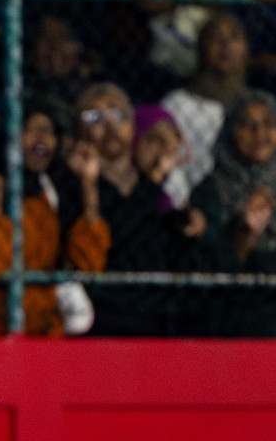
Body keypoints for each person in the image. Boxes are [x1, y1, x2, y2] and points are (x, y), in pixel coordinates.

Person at [0, 98, 110, 337]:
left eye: (48, 131)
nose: (41, 138)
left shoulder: (51, 191)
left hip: (44, 328)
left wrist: (88, 184)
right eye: (30, 129)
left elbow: (89, 264)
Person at [66, 82, 189, 337]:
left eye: (118, 113)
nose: (110, 125)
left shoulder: (154, 188)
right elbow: (112, 240)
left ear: (133, 124)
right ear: (79, 131)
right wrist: (153, 181)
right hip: (103, 321)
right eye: (95, 117)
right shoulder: (72, 185)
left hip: (156, 321)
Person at [188, 91, 276, 336]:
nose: (259, 133)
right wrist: (243, 232)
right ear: (229, 132)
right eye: (247, 124)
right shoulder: (210, 192)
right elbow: (208, 270)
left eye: (269, 124)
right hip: (235, 324)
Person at [162, 12, 250, 206]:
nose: (225, 45)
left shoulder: (256, 107)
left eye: (234, 37)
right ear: (202, 48)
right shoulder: (177, 104)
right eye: (215, 38)